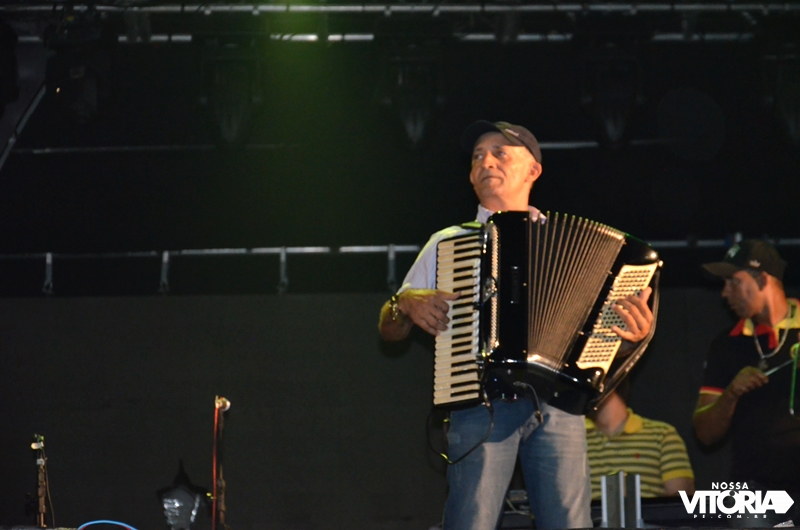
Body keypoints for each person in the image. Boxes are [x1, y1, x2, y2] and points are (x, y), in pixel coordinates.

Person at [378, 120, 654, 530]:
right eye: (477, 157)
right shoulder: (449, 241)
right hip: (478, 399)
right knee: (470, 521)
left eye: (500, 153)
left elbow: (602, 344)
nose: (485, 161)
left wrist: (633, 338)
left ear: (533, 170)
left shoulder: (580, 246)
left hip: (558, 403)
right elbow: (390, 328)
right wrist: (402, 304)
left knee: (569, 524)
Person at [693, 239, 800, 527]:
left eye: (733, 282)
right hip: (751, 490)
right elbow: (704, 433)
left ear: (763, 279)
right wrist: (731, 394)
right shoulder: (725, 345)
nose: (725, 293)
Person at [585, 379, 694, 500]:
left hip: (648, 518)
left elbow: (681, 502)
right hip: (590, 518)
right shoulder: (574, 441)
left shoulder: (662, 434)